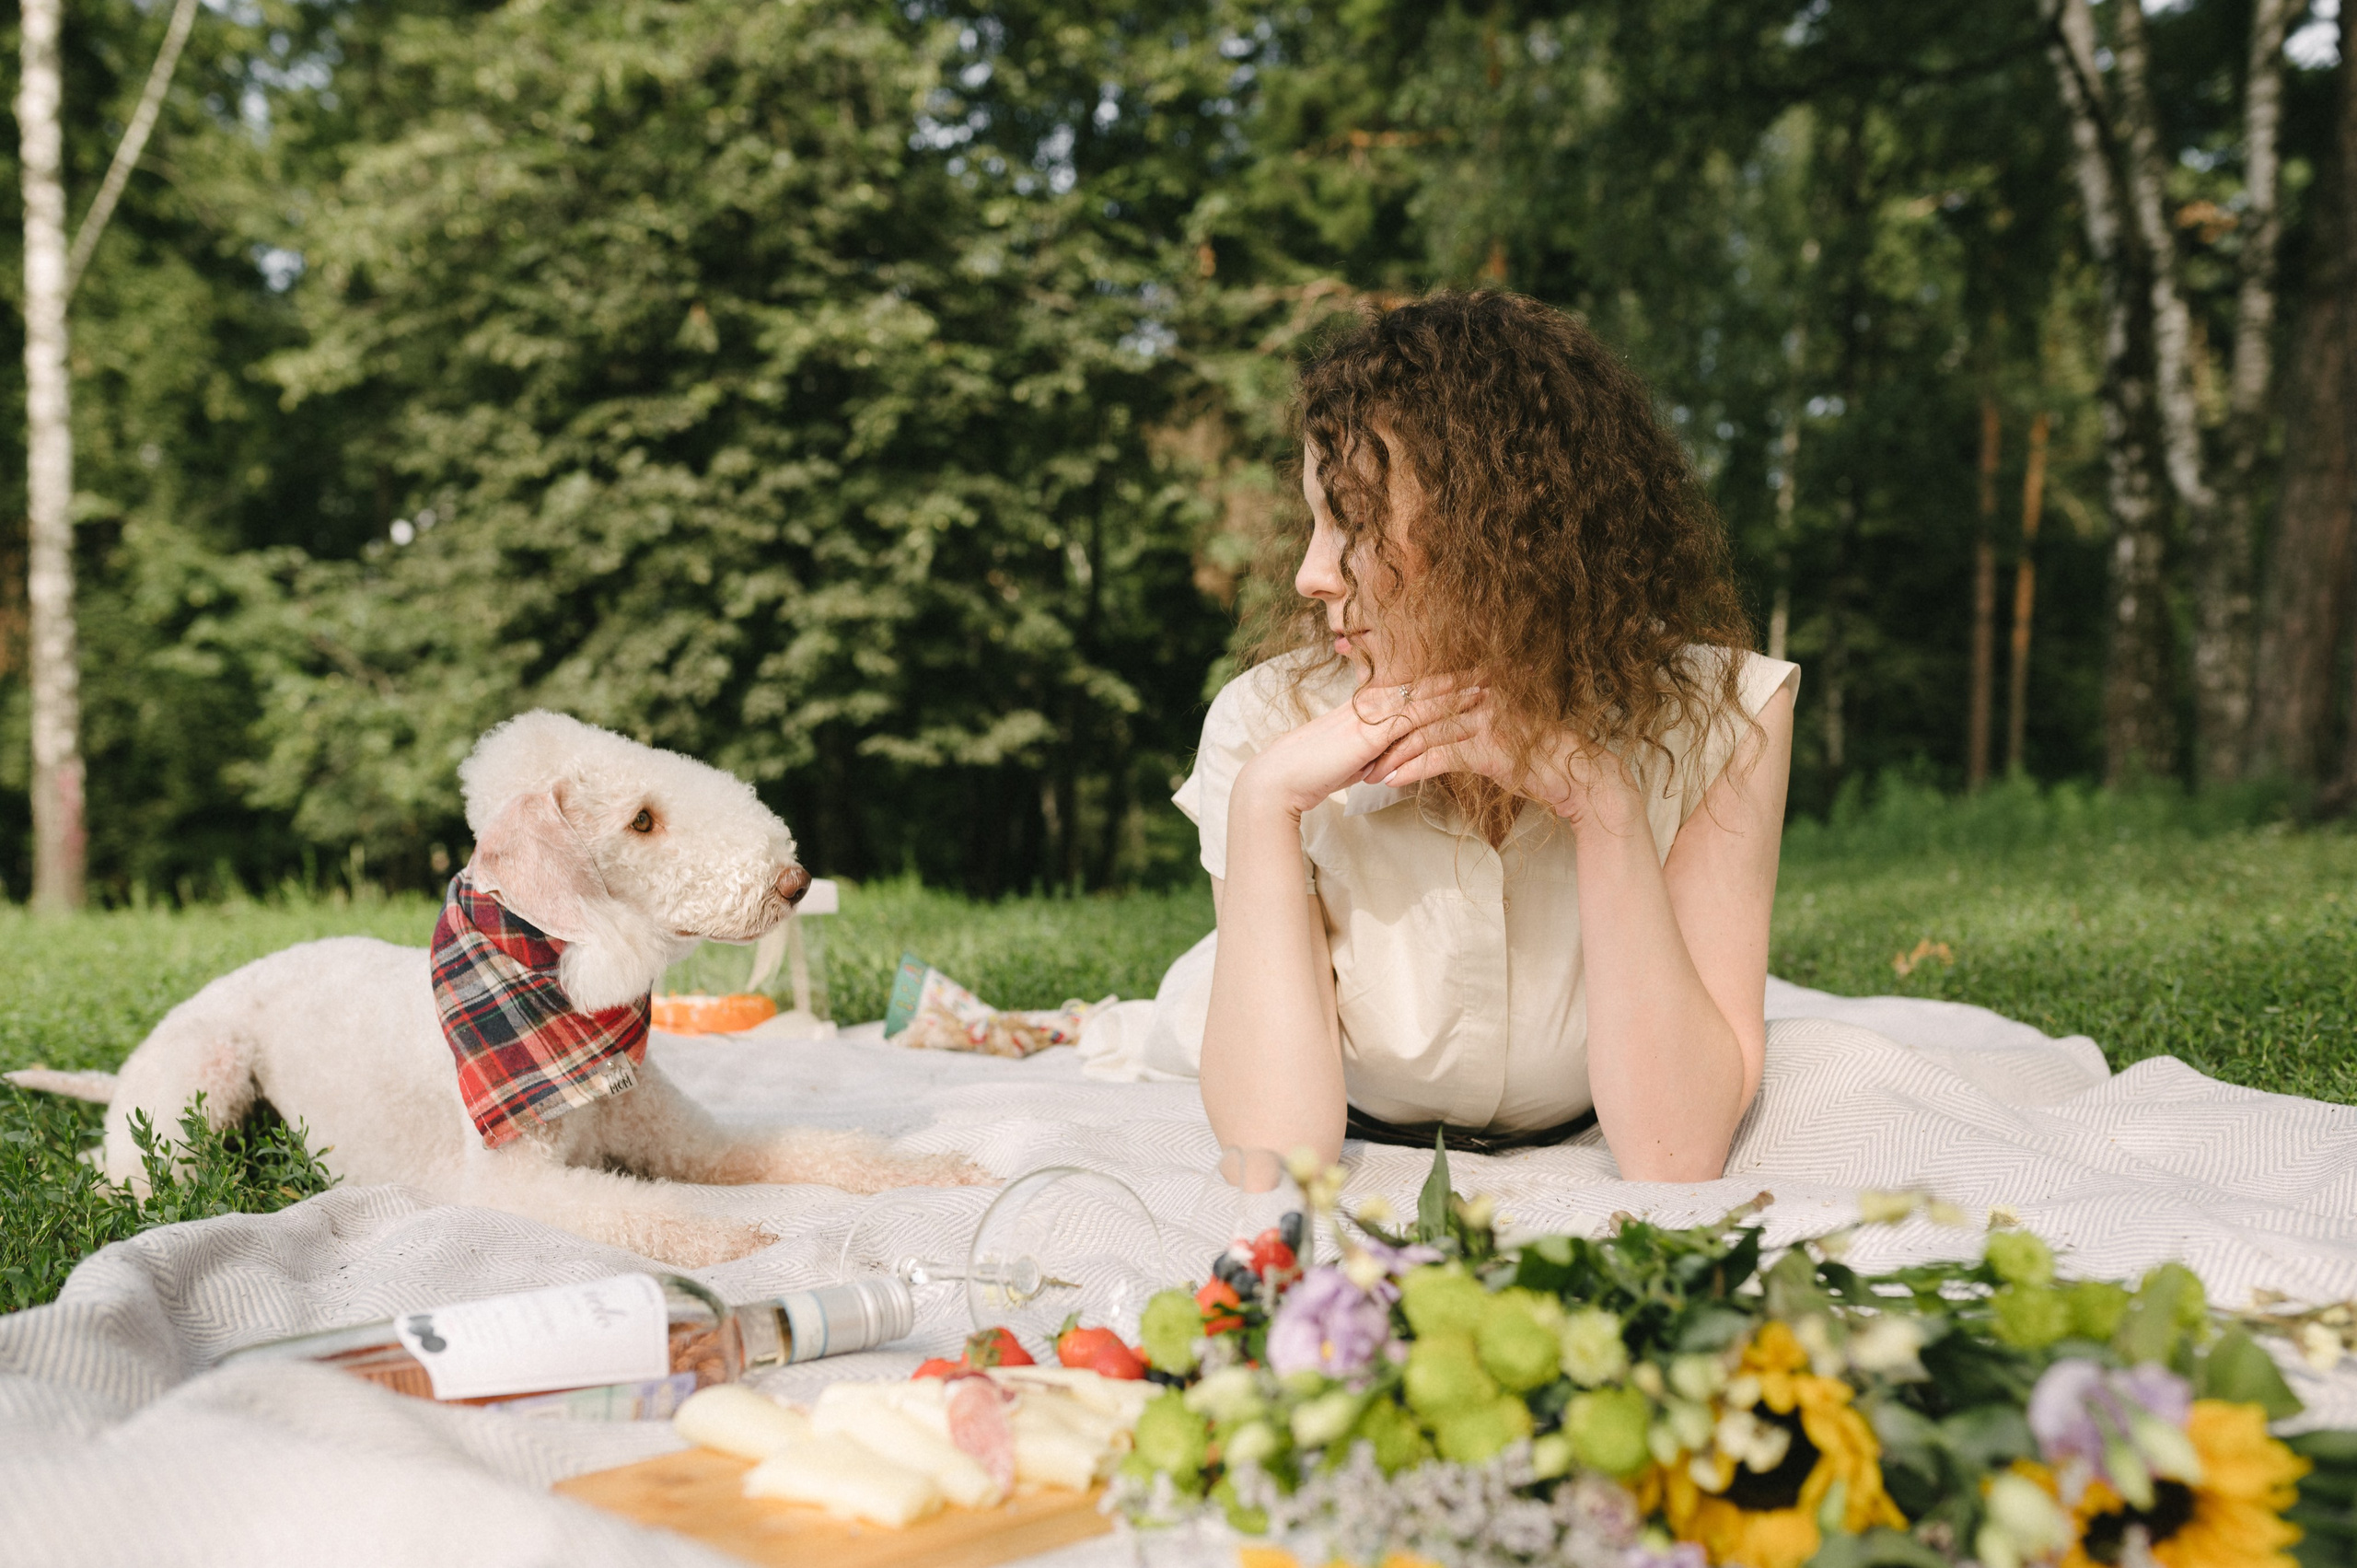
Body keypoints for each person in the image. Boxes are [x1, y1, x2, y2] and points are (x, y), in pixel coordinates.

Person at [1173, 291, 1798, 1182]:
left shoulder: (1724, 712)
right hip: (1350, 1088)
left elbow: (1675, 1150)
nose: (1312, 574)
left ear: (1502, 536)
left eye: (1350, 523)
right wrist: (1265, 802)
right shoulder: (1263, 721)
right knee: (1159, 1018)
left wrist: (1600, 803)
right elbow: (1274, 1156)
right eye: (1313, 521)